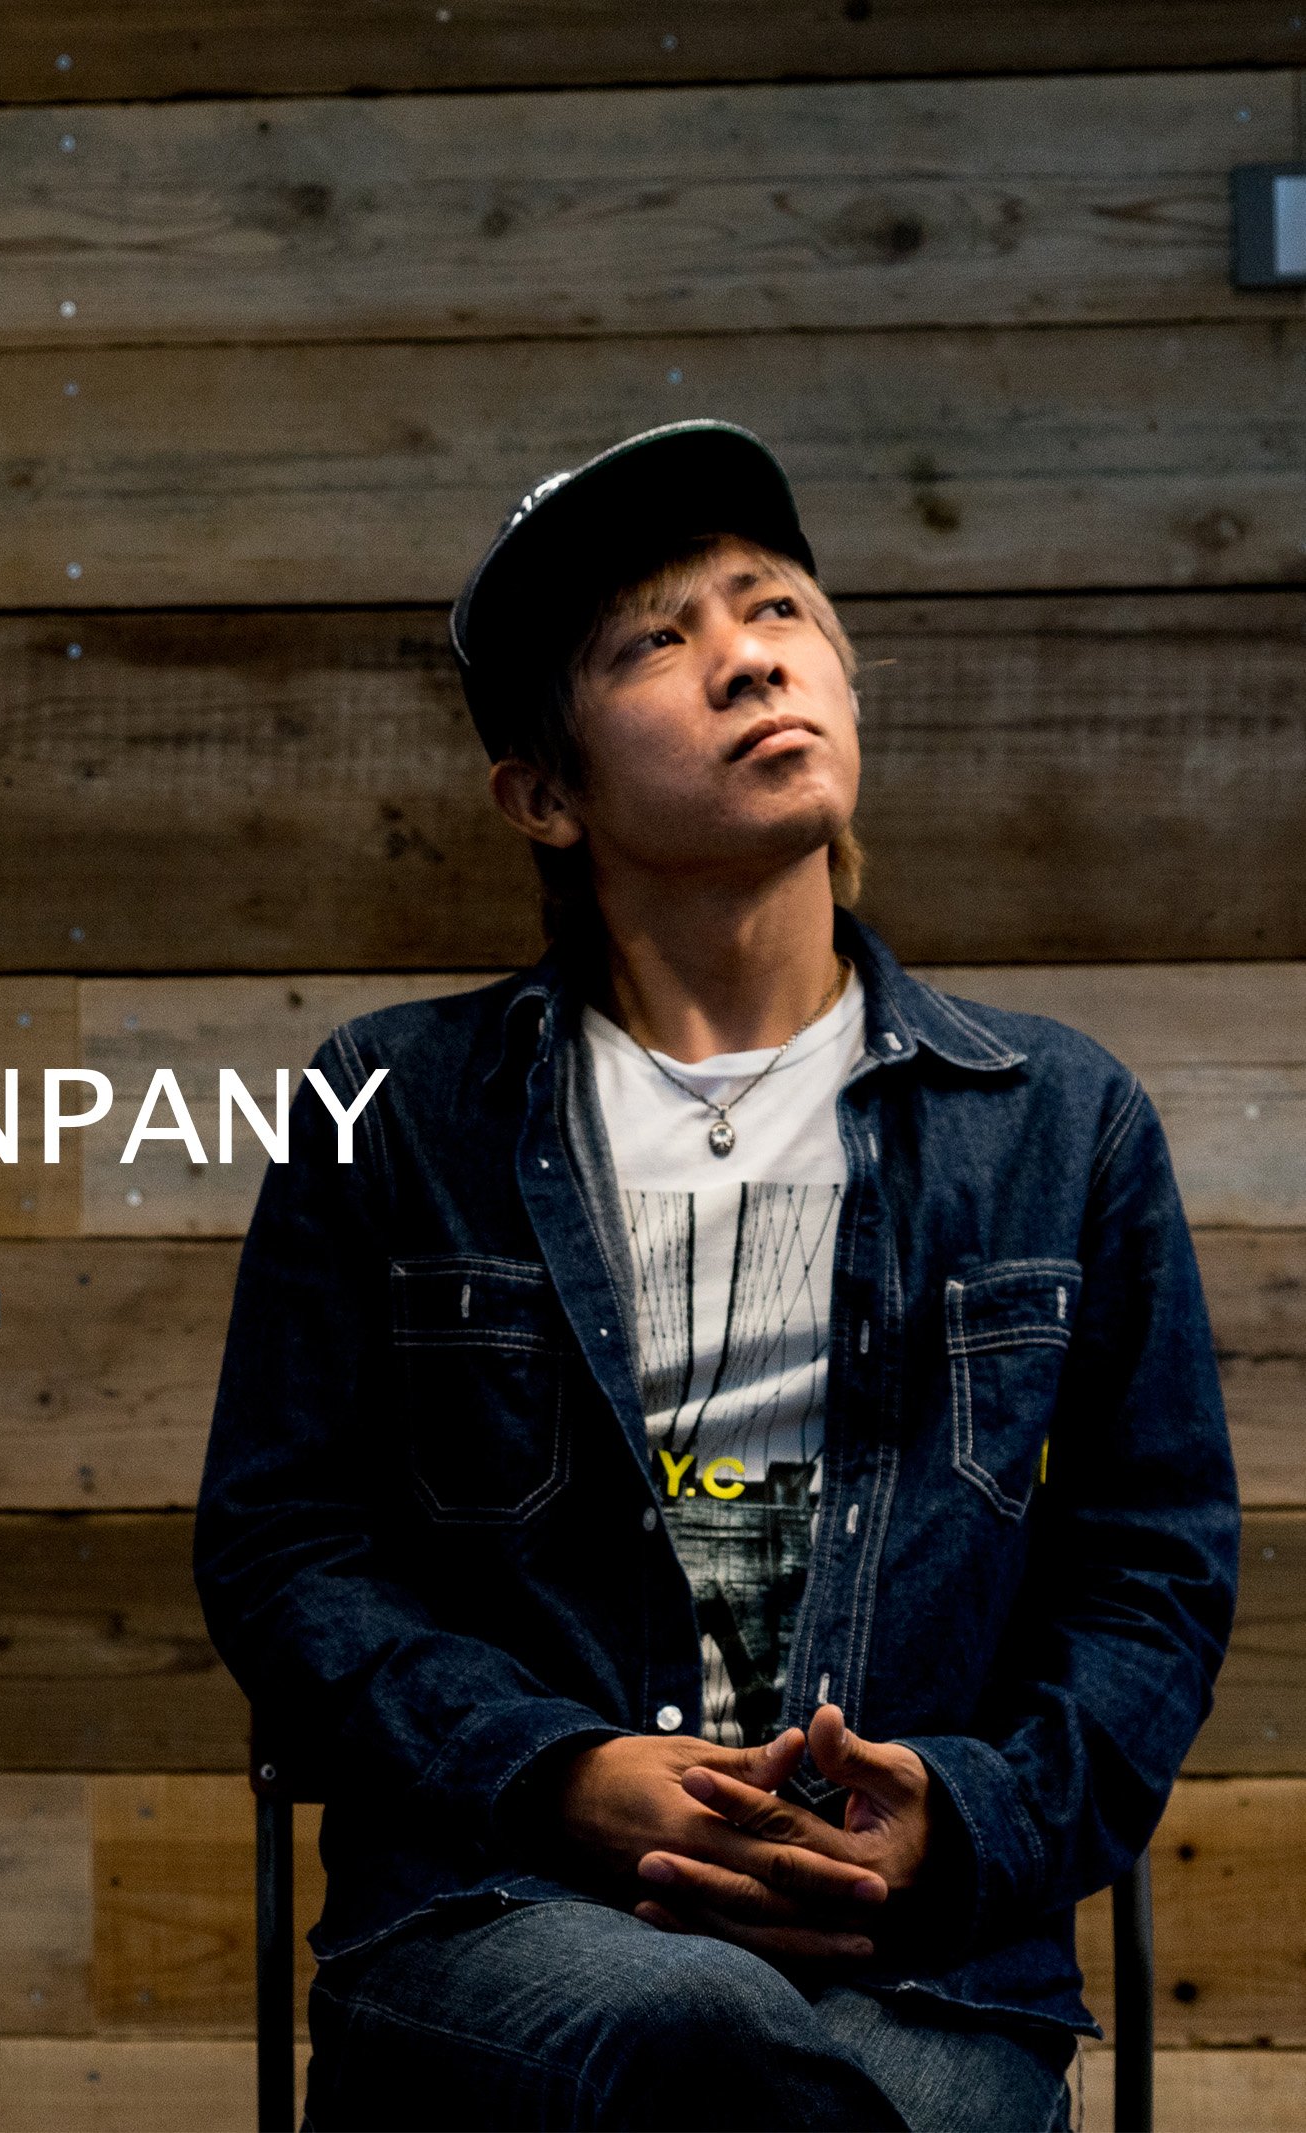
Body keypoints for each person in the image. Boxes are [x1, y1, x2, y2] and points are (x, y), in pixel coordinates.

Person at [191, 421, 1239, 2130]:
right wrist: (560, 1774)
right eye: (653, 643)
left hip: (915, 1961)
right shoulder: (394, 1111)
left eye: (775, 608)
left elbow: (1152, 1572)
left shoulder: (1059, 1123)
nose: (748, 655)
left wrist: (958, 1823)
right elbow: (283, 1547)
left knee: (800, 2074)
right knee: (688, 2030)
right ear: (542, 794)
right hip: (502, 1916)